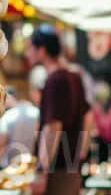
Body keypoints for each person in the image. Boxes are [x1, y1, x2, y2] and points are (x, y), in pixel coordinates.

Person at [25, 28, 92, 195]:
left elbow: (53, 127)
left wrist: (41, 171)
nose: (27, 54)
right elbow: (89, 117)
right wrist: (79, 157)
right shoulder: (74, 76)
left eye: (30, 48)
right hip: (71, 168)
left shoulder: (55, 79)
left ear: (42, 50)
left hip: (58, 171)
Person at [0, 67, 46, 169]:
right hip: (32, 167)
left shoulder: (7, 118)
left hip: (11, 169)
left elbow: (2, 146)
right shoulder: (37, 113)